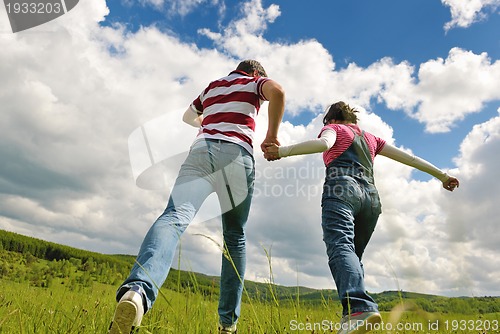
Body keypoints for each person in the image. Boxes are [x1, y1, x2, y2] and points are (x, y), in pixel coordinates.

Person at [109, 60, 285, 334]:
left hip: (201, 153)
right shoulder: (254, 83)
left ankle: (138, 292)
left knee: (173, 218)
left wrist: (206, 123)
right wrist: (271, 137)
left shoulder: (213, 87)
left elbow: (187, 116)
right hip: (237, 156)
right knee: (234, 236)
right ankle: (228, 325)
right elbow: (278, 92)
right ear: (255, 73)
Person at [263, 101, 459, 334]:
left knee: (340, 248)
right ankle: (353, 317)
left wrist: (282, 151)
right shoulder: (372, 139)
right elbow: (411, 159)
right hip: (371, 199)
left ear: (331, 120)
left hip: (342, 190)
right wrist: (443, 176)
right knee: (353, 256)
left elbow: (324, 144)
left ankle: (359, 308)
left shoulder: (334, 129)